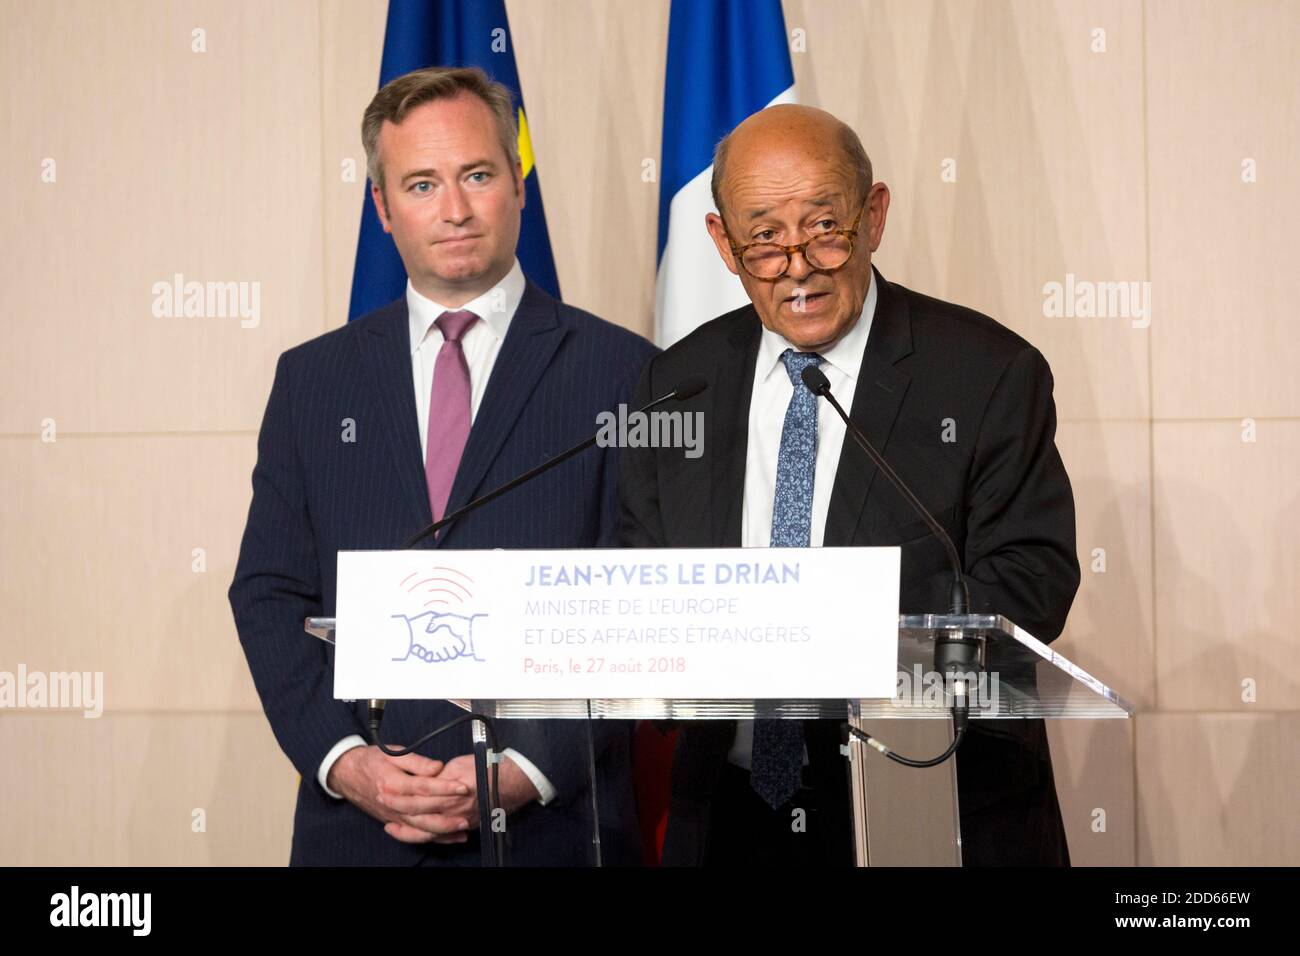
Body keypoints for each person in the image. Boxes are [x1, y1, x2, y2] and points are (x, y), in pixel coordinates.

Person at [620, 104, 1080, 866]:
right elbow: (647, 581)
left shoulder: (987, 374)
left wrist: (829, 634)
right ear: (723, 246)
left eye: (824, 225)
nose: (796, 262)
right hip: (732, 818)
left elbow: (1030, 586)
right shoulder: (673, 387)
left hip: (931, 799)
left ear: (874, 216)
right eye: (763, 235)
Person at [230, 66, 655, 865]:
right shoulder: (312, 381)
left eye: (478, 175)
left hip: (554, 833)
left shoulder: (627, 373)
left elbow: (641, 591)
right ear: (383, 209)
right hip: (362, 832)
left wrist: (527, 768)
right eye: (421, 184)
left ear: (518, 185)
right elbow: (268, 591)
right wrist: (346, 763)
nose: (454, 209)